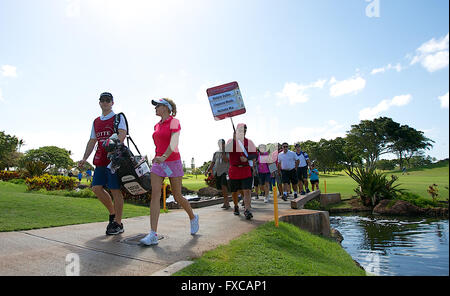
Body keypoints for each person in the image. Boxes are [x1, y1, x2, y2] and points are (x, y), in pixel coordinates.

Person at [140, 98, 199, 246]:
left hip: (172, 161)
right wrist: (157, 157)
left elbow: (174, 143)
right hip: (159, 163)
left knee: (178, 196)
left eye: (157, 106)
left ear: (165, 108)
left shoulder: (174, 122)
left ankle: (193, 217)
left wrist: (164, 156)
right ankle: (153, 234)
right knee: (155, 195)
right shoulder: (156, 126)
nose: (155, 108)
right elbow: (159, 144)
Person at [78, 92, 127, 235]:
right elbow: (92, 141)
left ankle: (118, 223)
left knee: (115, 190)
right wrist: (84, 158)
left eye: (108, 100)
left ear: (112, 103)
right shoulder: (96, 121)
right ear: (99, 102)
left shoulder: (118, 118)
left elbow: (122, 135)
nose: (105, 103)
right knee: (96, 188)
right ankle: (113, 214)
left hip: (114, 161)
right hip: (100, 160)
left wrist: (112, 144)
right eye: (102, 100)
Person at [225, 123, 257, 219]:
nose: (243, 132)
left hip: (246, 169)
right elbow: (227, 150)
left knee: (247, 190)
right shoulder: (231, 141)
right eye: (241, 130)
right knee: (234, 191)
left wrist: (247, 158)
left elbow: (255, 155)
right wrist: (234, 140)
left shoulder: (249, 142)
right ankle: (235, 205)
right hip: (234, 170)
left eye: (245, 130)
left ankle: (247, 210)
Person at [205, 139, 231, 209]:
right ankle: (225, 202)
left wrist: (223, 153)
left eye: (222, 144)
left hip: (225, 172)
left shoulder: (227, 152)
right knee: (221, 189)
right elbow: (213, 162)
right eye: (219, 143)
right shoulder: (216, 153)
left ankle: (227, 203)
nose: (221, 145)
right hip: (217, 172)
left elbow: (226, 160)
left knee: (224, 187)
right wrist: (208, 170)